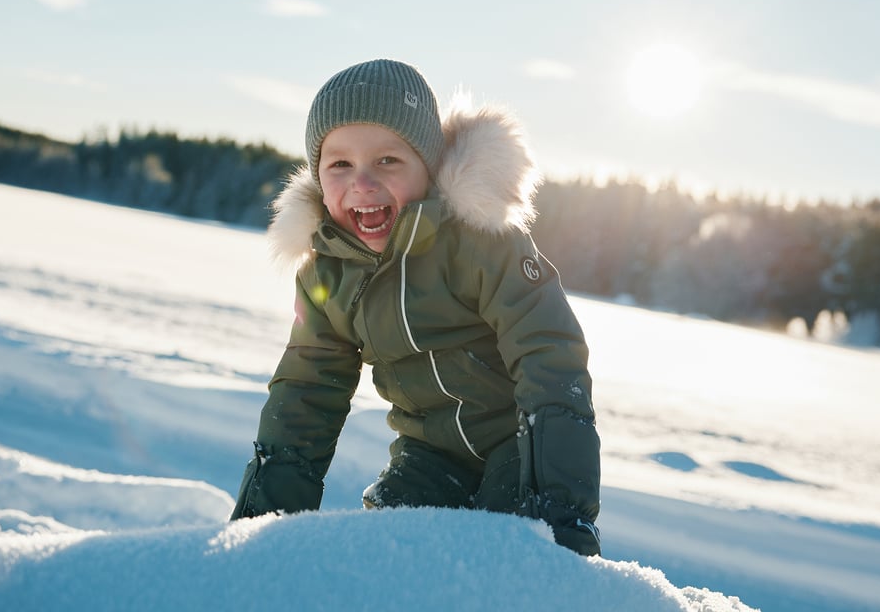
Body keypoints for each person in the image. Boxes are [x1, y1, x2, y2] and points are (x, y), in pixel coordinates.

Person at [229, 58, 601, 556]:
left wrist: (560, 513)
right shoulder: (329, 274)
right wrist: (262, 528)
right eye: (340, 164)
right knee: (390, 552)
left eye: (387, 161)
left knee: (510, 549)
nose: (362, 183)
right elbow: (305, 392)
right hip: (429, 454)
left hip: (520, 444)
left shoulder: (480, 240)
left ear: (427, 167)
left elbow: (549, 355)